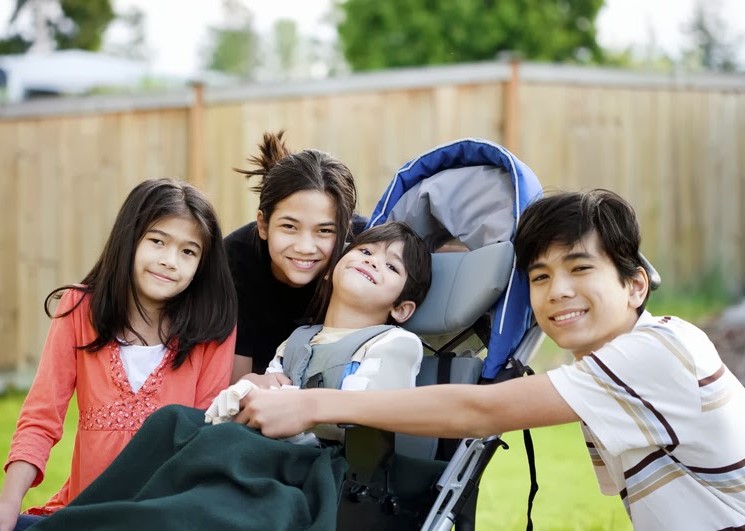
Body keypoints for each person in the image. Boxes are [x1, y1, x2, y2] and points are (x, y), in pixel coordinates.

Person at [237, 189, 745, 530]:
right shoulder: (619, 363)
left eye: (580, 268)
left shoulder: (653, 355)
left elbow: (482, 411)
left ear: (635, 285)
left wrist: (312, 404)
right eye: (540, 277)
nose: (557, 292)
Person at [25, 221, 432, 531]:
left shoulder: (392, 343)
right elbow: (258, 392)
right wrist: (245, 394)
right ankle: (87, 516)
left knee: (208, 500)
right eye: (365, 251)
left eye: (390, 265)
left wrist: (286, 405)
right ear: (334, 268)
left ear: (402, 309)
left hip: (319, 467)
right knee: (170, 421)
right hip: (262, 446)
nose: (372, 261)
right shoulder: (299, 338)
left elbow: (366, 417)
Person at [0, 178, 238, 531]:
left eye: (189, 251)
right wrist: (7, 507)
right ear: (130, 239)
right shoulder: (80, 309)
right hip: (84, 515)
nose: (170, 261)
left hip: (165, 518)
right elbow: (41, 418)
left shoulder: (213, 330)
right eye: (157, 241)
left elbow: (203, 442)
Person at [224, 130, 360, 381]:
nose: (305, 247)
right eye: (289, 227)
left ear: (346, 229)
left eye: (325, 230)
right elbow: (234, 386)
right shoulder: (234, 261)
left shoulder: (364, 252)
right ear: (263, 225)